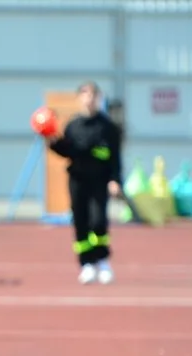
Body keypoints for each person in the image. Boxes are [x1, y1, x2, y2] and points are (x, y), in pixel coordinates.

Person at [45, 81, 124, 285]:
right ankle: (86, 264)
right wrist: (53, 141)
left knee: (98, 221)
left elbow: (115, 156)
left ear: (98, 98)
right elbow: (68, 151)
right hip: (77, 180)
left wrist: (115, 180)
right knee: (80, 222)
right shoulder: (73, 125)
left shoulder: (108, 127)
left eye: (93, 95)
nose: (89, 99)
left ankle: (102, 261)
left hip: (99, 180)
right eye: (85, 95)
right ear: (79, 98)